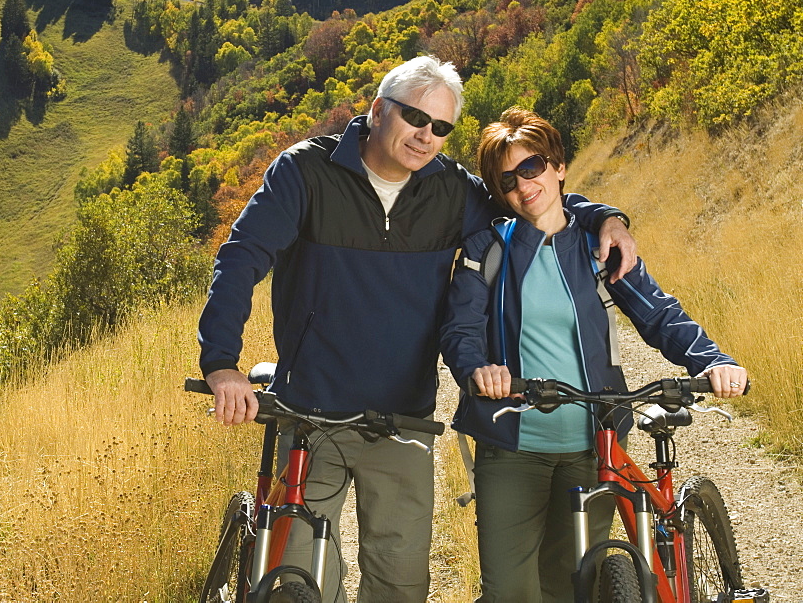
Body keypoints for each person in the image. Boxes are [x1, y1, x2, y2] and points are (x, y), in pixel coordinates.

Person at [197, 56, 636, 602]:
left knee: (400, 586)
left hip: (402, 422)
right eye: (415, 118)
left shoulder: (450, 191)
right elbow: (241, 258)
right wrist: (221, 363)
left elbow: (534, 203)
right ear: (379, 110)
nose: (426, 136)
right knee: (301, 584)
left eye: (441, 128)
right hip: (309, 414)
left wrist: (605, 217)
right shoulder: (305, 172)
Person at [440, 107, 748, 603]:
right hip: (511, 445)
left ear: (558, 166)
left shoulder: (597, 245)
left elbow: (659, 314)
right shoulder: (487, 248)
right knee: (509, 591)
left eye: (532, 167)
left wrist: (711, 360)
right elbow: (460, 329)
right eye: (508, 179)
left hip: (593, 445)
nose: (523, 185)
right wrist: (478, 368)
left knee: (569, 585)